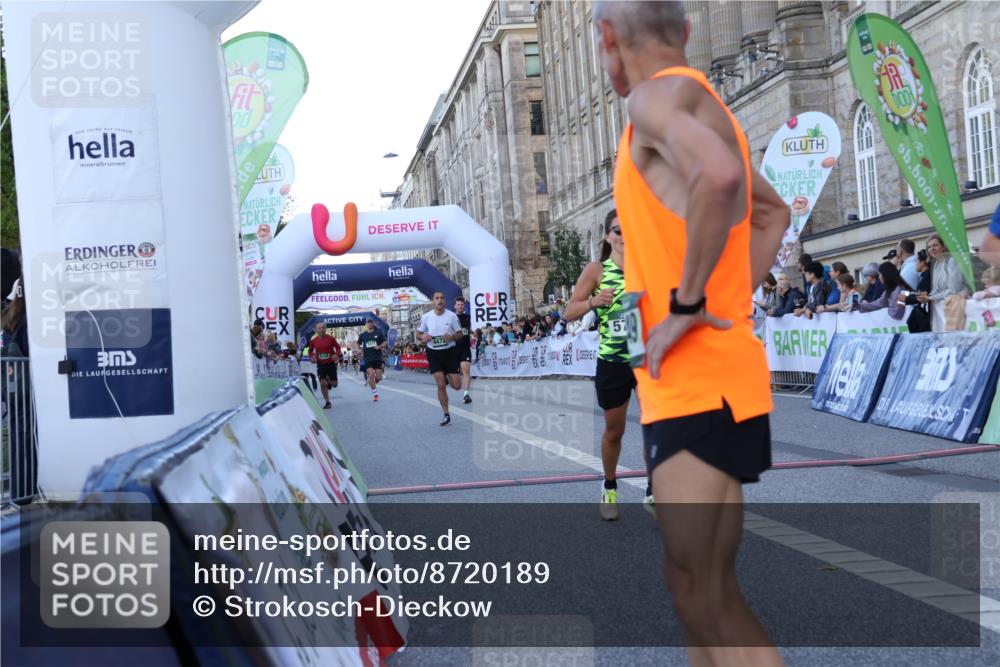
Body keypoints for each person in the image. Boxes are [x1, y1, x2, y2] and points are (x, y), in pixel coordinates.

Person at [595, 2, 788, 663]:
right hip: (706, 376)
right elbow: (770, 214)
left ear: (607, 39)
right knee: (695, 587)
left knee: (706, 596)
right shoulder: (701, 101)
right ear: (684, 30)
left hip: (698, 382)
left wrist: (687, 303)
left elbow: (723, 176)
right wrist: (724, 298)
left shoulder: (654, 100)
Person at [565, 209, 652, 520]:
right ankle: (610, 486)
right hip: (613, 361)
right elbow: (568, 313)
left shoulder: (648, 266)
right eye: (617, 230)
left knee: (656, 428)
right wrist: (593, 302)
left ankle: (654, 490)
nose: (624, 236)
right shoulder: (597, 270)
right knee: (614, 432)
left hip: (647, 358)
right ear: (607, 236)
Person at [417, 291, 464, 426]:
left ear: (445, 301)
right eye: (437, 298)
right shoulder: (426, 317)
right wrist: (423, 337)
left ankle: (448, 377)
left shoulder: (452, 316)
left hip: (449, 352)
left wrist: (452, 337)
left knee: (456, 386)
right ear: (433, 301)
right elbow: (418, 333)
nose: (440, 300)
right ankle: (446, 414)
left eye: (442, 298)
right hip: (433, 353)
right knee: (441, 385)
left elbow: (460, 334)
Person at [916, 234, 968, 331]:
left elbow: (953, 290)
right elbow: (937, 289)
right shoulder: (936, 264)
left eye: (935, 245)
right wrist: (926, 296)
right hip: (943, 308)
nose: (932, 249)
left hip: (957, 305)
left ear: (943, 246)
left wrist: (930, 298)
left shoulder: (952, 261)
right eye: (929, 247)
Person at [309, 322, 341, 409]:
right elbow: (310, 351)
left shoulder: (331, 338)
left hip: (331, 363)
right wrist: (311, 358)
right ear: (316, 330)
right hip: (321, 364)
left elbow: (338, 347)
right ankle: (327, 402)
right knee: (322, 384)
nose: (321, 329)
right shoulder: (313, 341)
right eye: (319, 328)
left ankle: (330, 380)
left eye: (323, 328)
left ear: (325, 329)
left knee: (335, 384)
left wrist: (336, 354)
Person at [357, 319, 388, 401]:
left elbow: (385, 342)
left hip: (377, 357)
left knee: (379, 377)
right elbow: (358, 343)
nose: (370, 324)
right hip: (368, 358)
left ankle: (377, 379)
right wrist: (359, 349)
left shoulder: (378, 333)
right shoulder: (363, 335)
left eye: (371, 322)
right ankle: (375, 394)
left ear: (373, 323)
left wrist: (379, 346)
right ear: (366, 324)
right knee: (370, 374)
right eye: (368, 322)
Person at [453, 296, 474, 404]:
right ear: (455, 306)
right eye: (458, 305)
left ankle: (466, 394)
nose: (460, 306)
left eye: (462, 305)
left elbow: (467, 329)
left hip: (465, 347)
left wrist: (473, 333)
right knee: (454, 376)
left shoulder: (467, 317)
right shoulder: (451, 317)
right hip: (453, 348)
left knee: (466, 370)